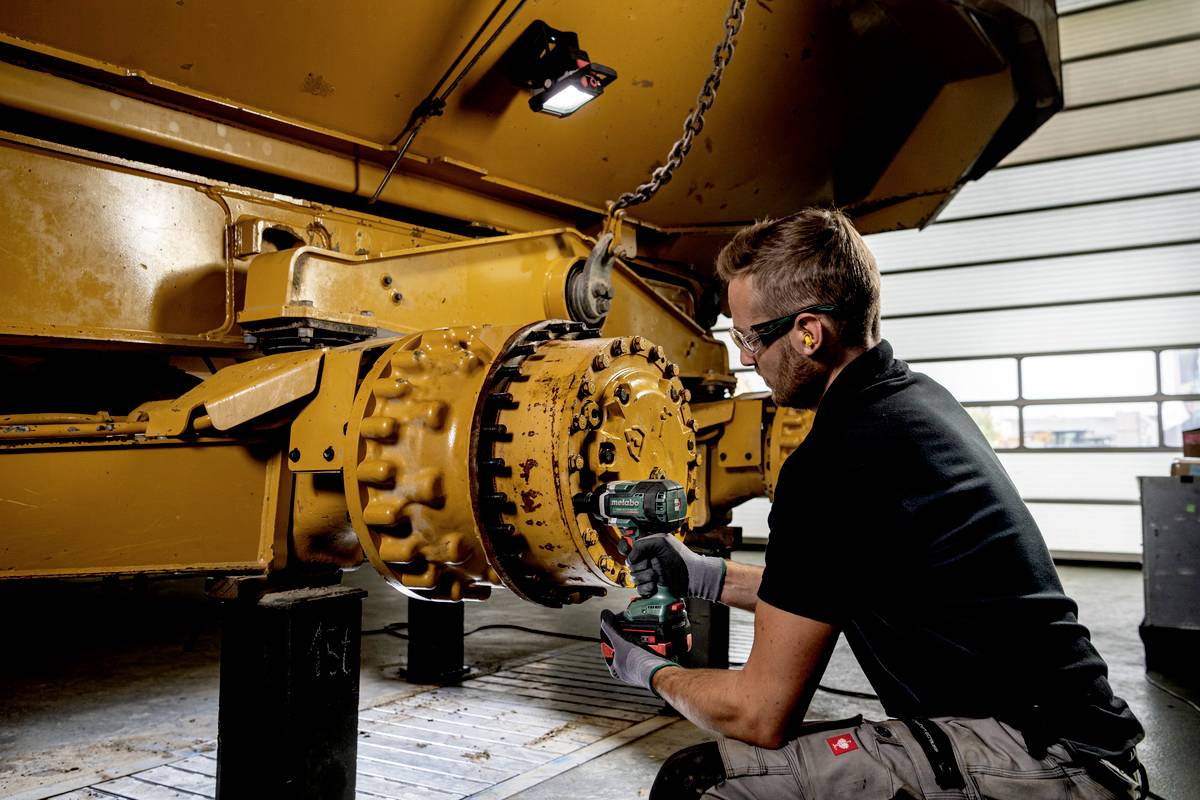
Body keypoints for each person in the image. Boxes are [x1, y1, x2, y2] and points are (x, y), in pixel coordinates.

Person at [598, 208, 1146, 799]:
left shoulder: (839, 459)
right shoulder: (915, 402)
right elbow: (833, 584)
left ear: (809, 333)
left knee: (701, 782)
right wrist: (702, 574)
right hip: (1085, 740)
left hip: (1041, 759)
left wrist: (650, 672)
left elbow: (759, 713)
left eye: (750, 337)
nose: (748, 358)